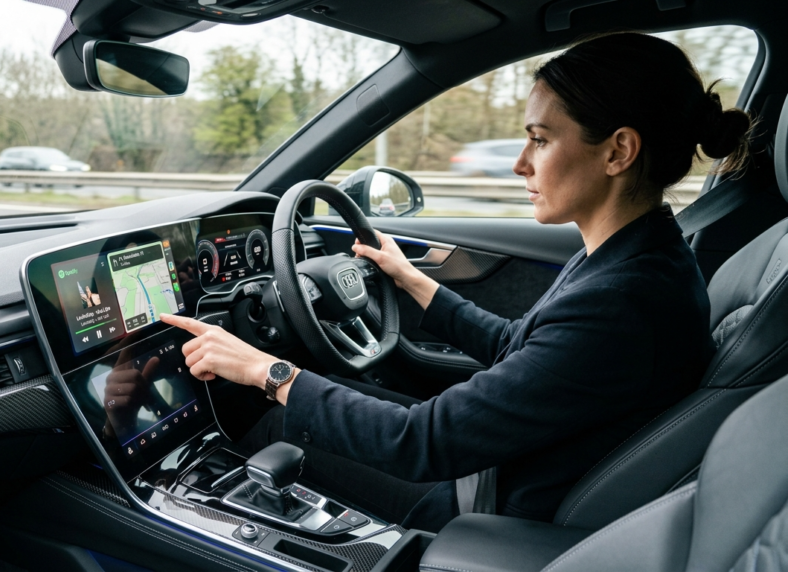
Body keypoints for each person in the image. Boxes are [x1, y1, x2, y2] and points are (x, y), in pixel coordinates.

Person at [161, 32, 752, 532]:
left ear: (618, 151)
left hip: (486, 506)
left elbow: (421, 442)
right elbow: (519, 346)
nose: (520, 163)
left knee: (272, 421)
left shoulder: (621, 302)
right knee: (328, 390)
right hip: (505, 467)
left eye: (540, 139)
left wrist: (266, 371)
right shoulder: (639, 255)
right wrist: (412, 280)